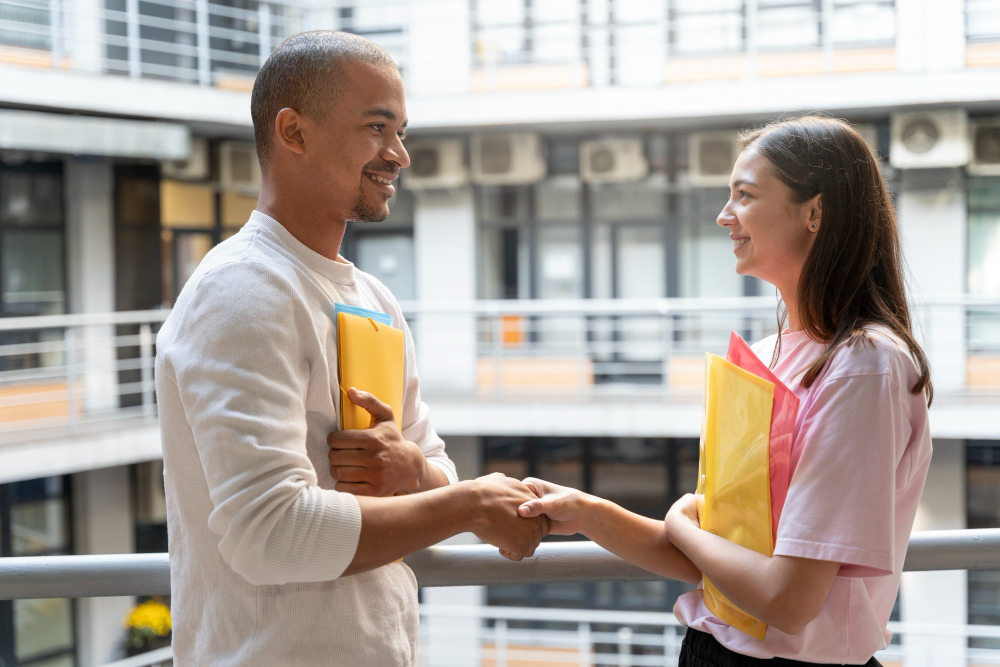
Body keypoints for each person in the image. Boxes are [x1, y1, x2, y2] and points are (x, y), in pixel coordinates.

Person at [155, 31, 548, 667]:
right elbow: (268, 533)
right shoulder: (242, 290)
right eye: (376, 127)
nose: (399, 155)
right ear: (293, 132)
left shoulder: (371, 297)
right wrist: (469, 503)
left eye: (401, 131)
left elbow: (433, 459)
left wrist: (416, 474)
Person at [519, 116, 932, 665]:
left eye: (745, 195)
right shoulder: (767, 355)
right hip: (710, 649)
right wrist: (590, 512)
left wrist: (679, 524)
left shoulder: (864, 364)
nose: (723, 216)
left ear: (815, 212)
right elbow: (719, 559)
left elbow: (787, 600)